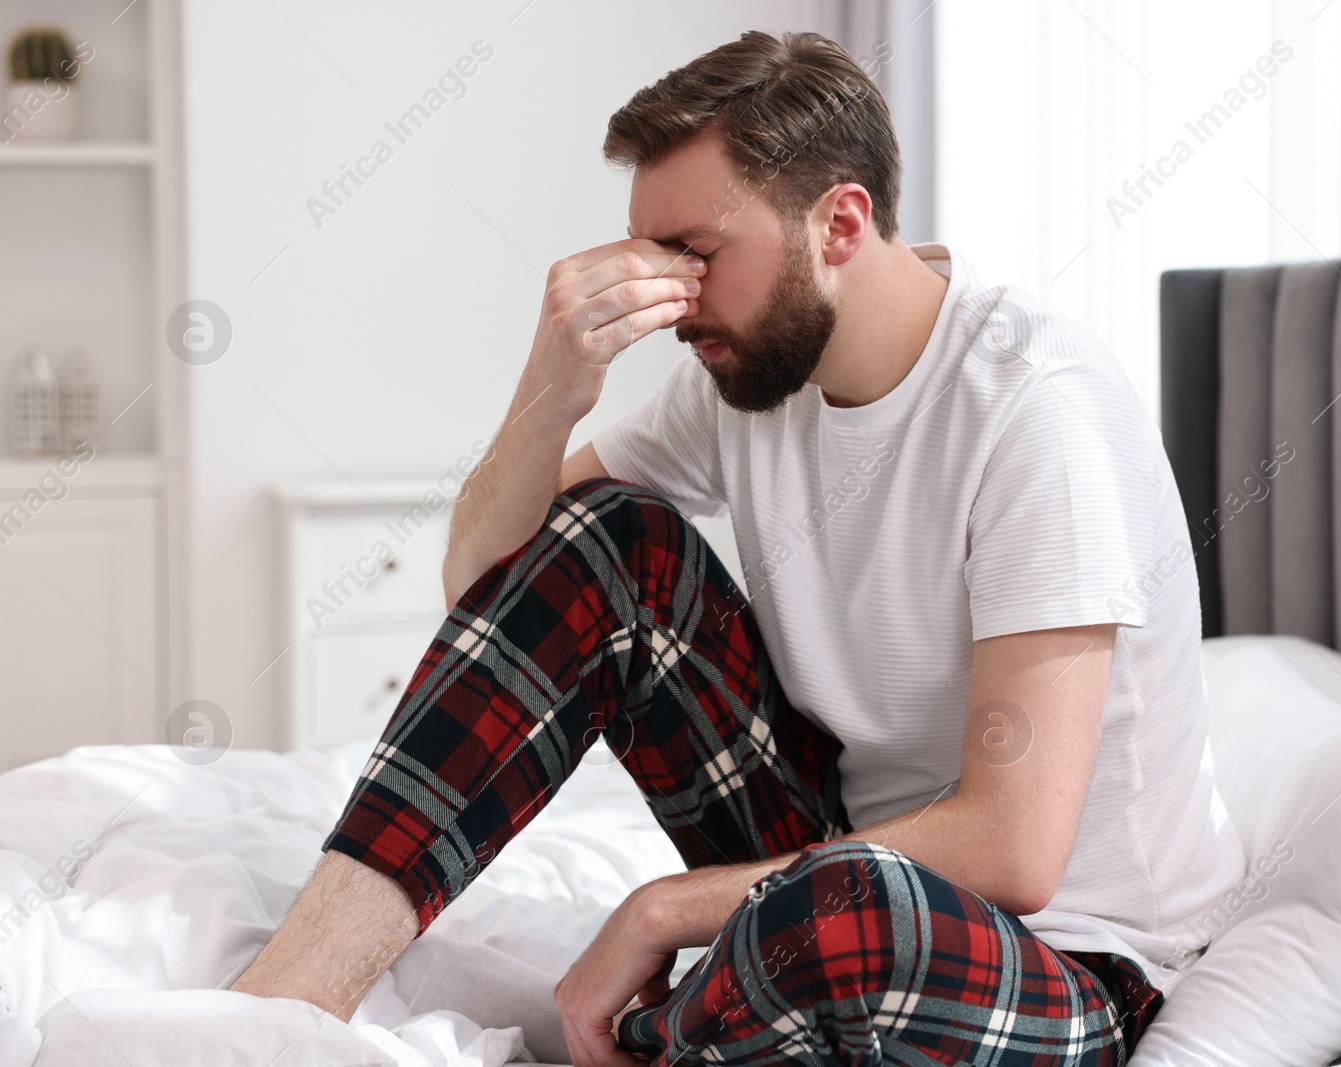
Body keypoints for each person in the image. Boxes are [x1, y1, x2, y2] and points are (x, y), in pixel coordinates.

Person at [231, 28, 1244, 1067]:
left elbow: (1015, 847)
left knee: (846, 918)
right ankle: (279, 1006)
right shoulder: (750, 382)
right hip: (828, 866)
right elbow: (491, 591)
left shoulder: (1034, 404)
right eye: (649, 255)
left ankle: (658, 1033)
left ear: (839, 223)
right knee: (607, 541)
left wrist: (667, 906)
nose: (669, 299)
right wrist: (551, 385)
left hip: (1064, 959)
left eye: (696, 254)